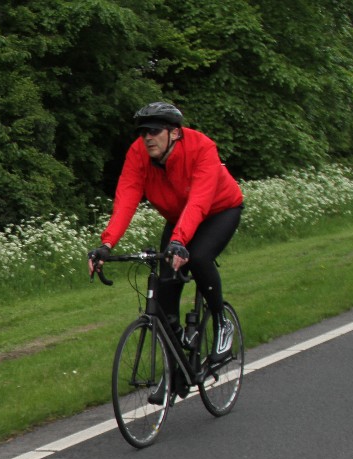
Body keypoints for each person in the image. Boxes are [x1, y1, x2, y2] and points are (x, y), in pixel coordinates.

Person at [89, 101, 244, 404]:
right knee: (166, 288)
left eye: (154, 131)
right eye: (143, 132)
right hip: (178, 217)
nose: (147, 137)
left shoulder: (202, 148)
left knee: (199, 257)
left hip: (219, 210)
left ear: (174, 133)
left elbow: (199, 200)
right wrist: (106, 245)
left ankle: (221, 323)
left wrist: (180, 240)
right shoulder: (138, 154)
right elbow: (126, 198)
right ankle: (176, 373)